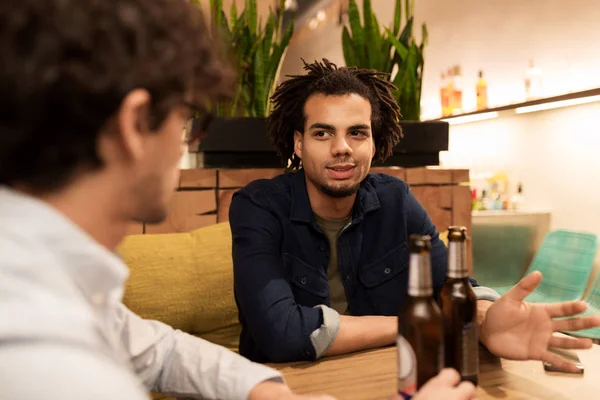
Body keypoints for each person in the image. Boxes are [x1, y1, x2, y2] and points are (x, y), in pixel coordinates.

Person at [0, 1, 338, 399]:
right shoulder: (51, 361)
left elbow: (156, 351)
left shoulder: (46, 272)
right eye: (188, 120)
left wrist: (266, 392)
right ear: (136, 125)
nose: (184, 144)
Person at [229, 59, 600, 371]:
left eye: (357, 133)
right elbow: (281, 333)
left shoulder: (395, 199)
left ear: (373, 141)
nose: (342, 148)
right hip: (284, 387)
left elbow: (453, 284)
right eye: (323, 133)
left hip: (387, 378)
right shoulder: (258, 207)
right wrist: (418, 323)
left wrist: (485, 318)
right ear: (299, 142)